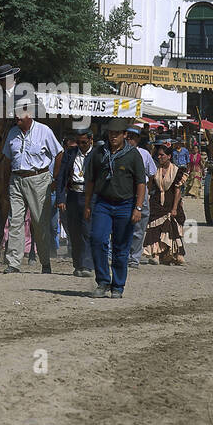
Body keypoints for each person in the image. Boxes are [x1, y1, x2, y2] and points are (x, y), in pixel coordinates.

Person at [84, 119, 146, 299]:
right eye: (111, 133)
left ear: (125, 135)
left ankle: (118, 285)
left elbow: (141, 183)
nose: (113, 137)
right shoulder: (99, 153)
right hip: (103, 203)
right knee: (97, 239)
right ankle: (103, 281)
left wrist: (138, 208)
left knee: (121, 247)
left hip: (125, 205)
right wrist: (88, 205)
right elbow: (90, 181)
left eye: (117, 134)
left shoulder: (133, 155)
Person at [3, 98, 61, 275]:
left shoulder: (44, 131)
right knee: (15, 221)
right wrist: (8, 181)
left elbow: (59, 153)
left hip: (38, 179)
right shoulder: (12, 132)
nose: (16, 116)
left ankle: (45, 262)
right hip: (16, 179)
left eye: (20, 113)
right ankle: (13, 262)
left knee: (39, 222)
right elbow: (7, 158)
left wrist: (54, 178)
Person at [55, 130, 93, 276]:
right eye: (79, 142)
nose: (81, 145)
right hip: (72, 195)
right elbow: (62, 177)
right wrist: (60, 199)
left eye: (84, 142)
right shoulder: (70, 153)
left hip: (88, 195)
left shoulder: (96, 154)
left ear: (90, 140)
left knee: (87, 231)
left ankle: (87, 265)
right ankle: (78, 264)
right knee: (74, 232)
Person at [142, 141, 186, 266]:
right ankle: (155, 254)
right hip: (157, 202)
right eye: (158, 155)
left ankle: (177, 254)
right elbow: (149, 187)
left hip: (171, 201)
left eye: (162, 155)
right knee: (154, 228)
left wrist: (175, 208)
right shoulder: (155, 170)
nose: (160, 157)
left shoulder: (177, 171)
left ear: (169, 156)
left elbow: (177, 191)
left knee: (172, 227)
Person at [125, 124, 158, 265]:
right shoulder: (120, 153)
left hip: (141, 192)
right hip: (124, 191)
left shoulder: (144, 154)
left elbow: (151, 175)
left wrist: (146, 192)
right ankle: (122, 255)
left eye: (133, 137)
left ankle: (134, 257)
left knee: (139, 226)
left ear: (138, 139)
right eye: (128, 136)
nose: (129, 140)